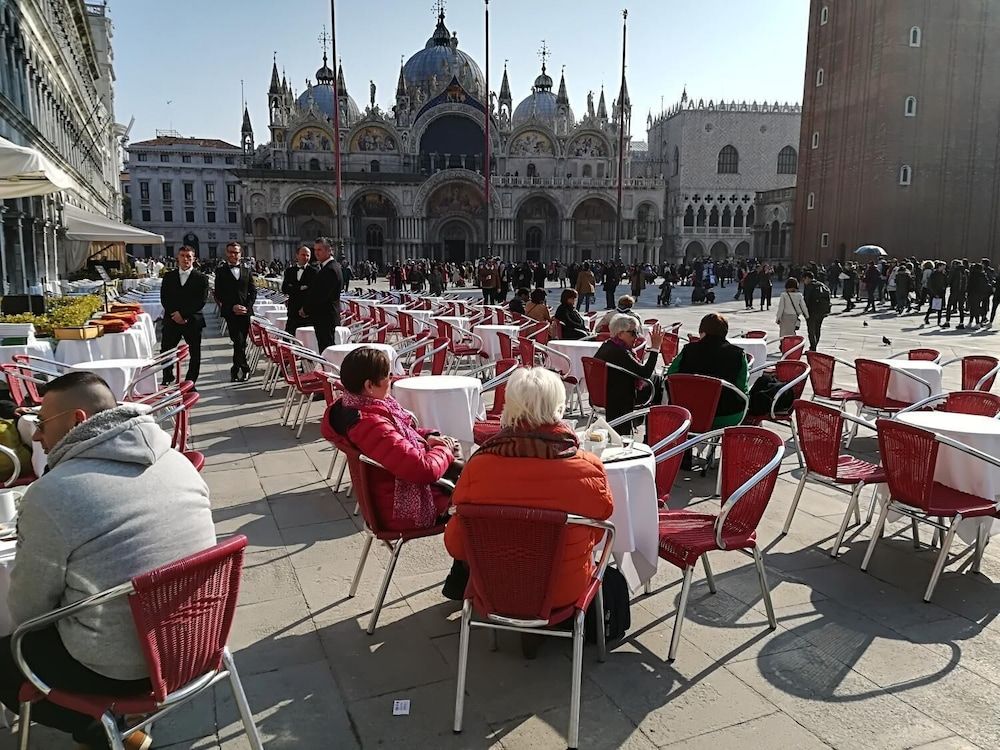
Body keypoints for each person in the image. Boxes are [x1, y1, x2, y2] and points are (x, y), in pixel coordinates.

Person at [0, 372, 215, 750]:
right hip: (196, 645)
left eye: (41, 424)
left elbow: (27, 611)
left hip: (121, 670)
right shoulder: (177, 461)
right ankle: (112, 729)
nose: (35, 436)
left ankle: (99, 727)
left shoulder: (54, 494)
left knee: (6, 655)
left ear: (78, 421)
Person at [445, 367, 613, 618]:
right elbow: (598, 533)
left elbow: (456, 545)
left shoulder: (478, 466)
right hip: (563, 589)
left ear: (509, 405)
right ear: (559, 406)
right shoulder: (588, 467)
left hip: (492, 586)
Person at [325, 348, 458, 531]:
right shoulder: (369, 424)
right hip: (401, 509)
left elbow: (401, 435)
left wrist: (427, 438)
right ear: (369, 385)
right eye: (387, 375)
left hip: (391, 492)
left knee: (469, 476)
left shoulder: (355, 405)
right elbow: (423, 470)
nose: (392, 378)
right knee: (477, 501)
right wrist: (445, 451)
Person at [665, 313, 749, 429]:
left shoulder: (688, 350)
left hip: (688, 413)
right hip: (726, 415)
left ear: (702, 331)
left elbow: (670, 376)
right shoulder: (738, 354)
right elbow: (742, 388)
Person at [594, 315, 665, 426]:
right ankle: (654, 426)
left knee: (656, 379)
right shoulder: (620, 352)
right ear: (620, 334)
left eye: (637, 333)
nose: (636, 337)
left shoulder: (608, 345)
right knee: (658, 381)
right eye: (633, 333)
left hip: (603, 393)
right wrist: (655, 348)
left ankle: (648, 423)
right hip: (619, 396)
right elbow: (644, 373)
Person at [159, 246, 208, 386]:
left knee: (195, 353)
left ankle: (190, 382)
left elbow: (201, 301)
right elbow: (164, 298)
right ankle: (167, 377)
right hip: (172, 319)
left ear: (194, 259)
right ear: (178, 258)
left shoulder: (201, 278)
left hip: (192, 320)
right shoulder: (169, 277)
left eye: (188, 256)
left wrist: (184, 314)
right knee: (166, 351)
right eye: (182, 255)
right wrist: (175, 314)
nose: (185, 259)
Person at [214, 241, 256, 382]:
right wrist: (232, 306)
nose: (234, 255)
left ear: (241, 253)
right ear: (227, 253)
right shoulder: (221, 271)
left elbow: (252, 291)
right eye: (231, 252)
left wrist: (247, 307)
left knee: (242, 342)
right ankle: (244, 369)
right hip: (230, 312)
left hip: (245, 312)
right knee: (237, 340)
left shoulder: (247, 270)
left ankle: (235, 368)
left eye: (236, 252)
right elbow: (219, 293)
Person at [303, 237, 343, 352]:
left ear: (329, 250)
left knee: (327, 349)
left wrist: (306, 309)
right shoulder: (327, 267)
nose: (316, 253)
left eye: (319, 250)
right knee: (325, 348)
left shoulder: (330, 269)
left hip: (325, 317)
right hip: (324, 317)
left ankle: (328, 370)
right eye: (315, 250)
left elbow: (321, 295)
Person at [281, 245, 316, 334]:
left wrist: (292, 287)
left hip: (307, 312)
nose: (306, 257)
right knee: (288, 337)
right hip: (293, 310)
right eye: (303, 255)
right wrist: (300, 288)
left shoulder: (314, 272)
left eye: (308, 255)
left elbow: (313, 291)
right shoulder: (289, 271)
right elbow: (284, 289)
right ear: (297, 255)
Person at [801, 270, 830, 351]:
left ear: (807, 278)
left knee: (811, 330)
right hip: (821, 312)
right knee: (817, 329)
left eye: (804, 279)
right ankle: (815, 345)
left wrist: (804, 311)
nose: (804, 281)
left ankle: (813, 347)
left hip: (811, 312)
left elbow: (806, 299)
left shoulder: (809, 286)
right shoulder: (821, 285)